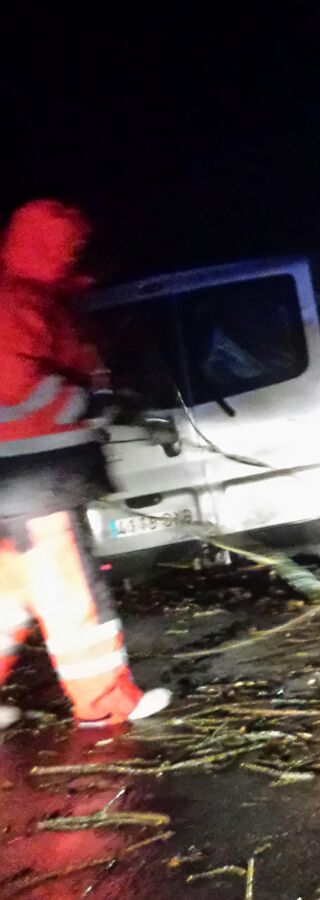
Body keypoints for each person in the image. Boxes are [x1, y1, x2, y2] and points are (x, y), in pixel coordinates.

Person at [0, 199, 170, 729]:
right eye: (72, 249)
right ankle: (105, 702)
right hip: (34, 476)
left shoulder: (32, 300)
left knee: (9, 594)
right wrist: (87, 404)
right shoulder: (18, 304)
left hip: (19, 479)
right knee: (70, 591)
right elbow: (13, 386)